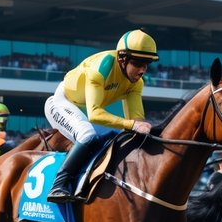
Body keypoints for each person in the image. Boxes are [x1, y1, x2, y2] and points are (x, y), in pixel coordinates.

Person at [44, 29, 158, 203]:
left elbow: (136, 120)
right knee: (88, 135)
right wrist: (133, 125)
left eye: (146, 64)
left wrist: (144, 128)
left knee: (117, 137)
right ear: (122, 58)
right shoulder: (100, 70)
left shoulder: (136, 82)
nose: (142, 70)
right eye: (137, 63)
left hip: (85, 111)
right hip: (63, 102)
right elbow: (95, 114)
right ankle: (59, 185)